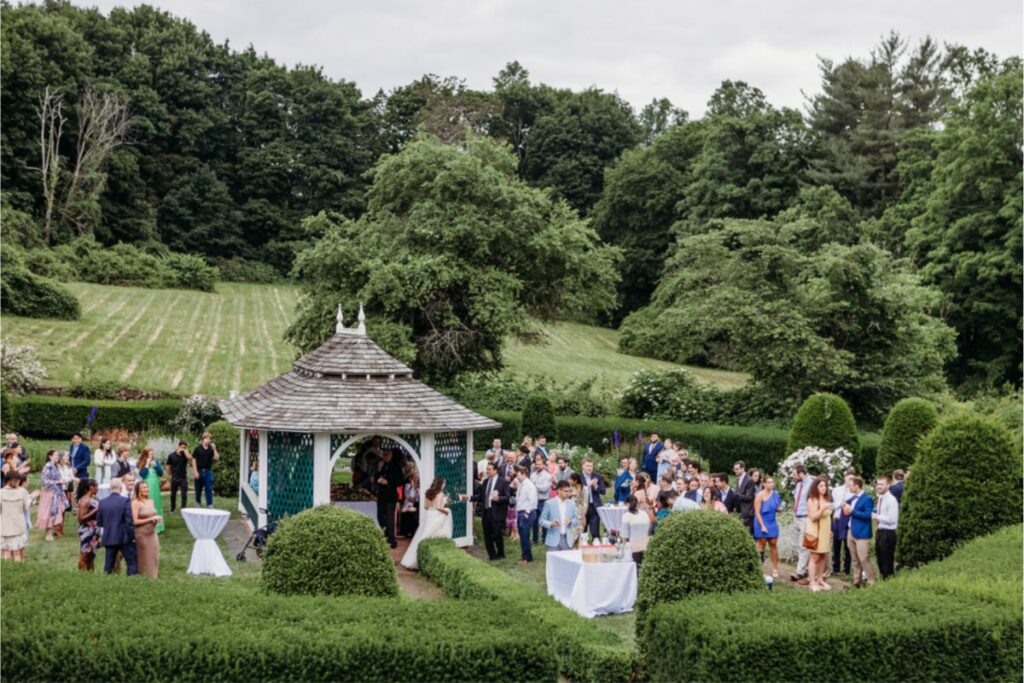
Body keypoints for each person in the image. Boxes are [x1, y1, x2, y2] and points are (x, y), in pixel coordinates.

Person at [400, 476, 453, 569]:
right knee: (434, 536)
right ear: (440, 484)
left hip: (429, 515)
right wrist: (447, 510)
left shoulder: (428, 492)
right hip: (436, 516)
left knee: (422, 536)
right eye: (444, 483)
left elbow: (426, 506)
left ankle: (412, 559)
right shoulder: (440, 494)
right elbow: (438, 508)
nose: (444, 485)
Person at [464, 462, 510, 560]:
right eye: (487, 469)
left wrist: (498, 498)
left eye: (489, 469)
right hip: (486, 513)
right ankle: (492, 556)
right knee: (487, 536)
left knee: (497, 535)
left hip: (497, 513)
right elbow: (480, 497)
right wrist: (468, 498)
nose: (487, 471)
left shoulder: (503, 482)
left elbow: (507, 497)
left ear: (495, 470)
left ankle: (501, 554)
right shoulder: (485, 482)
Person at [97, 478, 137, 575]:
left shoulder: (102, 502)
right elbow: (129, 521)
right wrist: (132, 536)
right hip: (124, 537)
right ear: (120, 487)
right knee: (131, 562)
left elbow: (99, 522)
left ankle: (107, 583)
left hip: (109, 536)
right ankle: (131, 582)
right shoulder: (125, 501)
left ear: (110, 488)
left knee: (108, 565)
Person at [844, 476, 875, 587]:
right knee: (855, 559)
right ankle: (857, 581)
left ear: (857, 486)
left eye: (850, 485)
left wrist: (852, 511)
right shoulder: (852, 498)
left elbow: (867, 515)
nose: (849, 487)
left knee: (863, 558)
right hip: (851, 531)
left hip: (862, 533)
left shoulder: (867, 499)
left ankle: (871, 581)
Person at [805, 476, 833, 592]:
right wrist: (822, 509)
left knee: (823, 555)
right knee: (815, 556)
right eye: (821, 486)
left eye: (825, 486)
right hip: (816, 531)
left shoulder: (827, 499)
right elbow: (812, 517)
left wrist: (830, 530)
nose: (824, 488)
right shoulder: (812, 500)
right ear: (815, 487)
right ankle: (812, 582)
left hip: (825, 530)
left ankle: (820, 579)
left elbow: (827, 517)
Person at [1, 473, 37, 561]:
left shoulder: (1, 492)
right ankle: (17, 568)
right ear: (9, 481)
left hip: (5, 526)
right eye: (16, 481)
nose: (17, 483)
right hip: (17, 525)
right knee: (15, 550)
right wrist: (32, 497)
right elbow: (26, 507)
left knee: (6, 550)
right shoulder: (22, 492)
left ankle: (11, 569)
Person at [131, 481, 162, 578]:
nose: (146, 490)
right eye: (143, 488)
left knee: (154, 556)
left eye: (147, 487)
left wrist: (156, 520)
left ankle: (154, 577)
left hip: (152, 533)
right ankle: (143, 576)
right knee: (144, 557)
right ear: (138, 490)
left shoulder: (151, 501)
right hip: (141, 534)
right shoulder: (135, 503)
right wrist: (150, 519)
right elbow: (135, 521)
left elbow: (151, 514)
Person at [753, 475, 782, 578]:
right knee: (761, 546)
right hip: (761, 521)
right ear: (763, 484)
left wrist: (779, 509)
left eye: (772, 482)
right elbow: (757, 512)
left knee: (773, 544)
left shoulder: (776, 495)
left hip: (772, 521)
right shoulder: (759, 495)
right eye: (768, 482)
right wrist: (762, 526)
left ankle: (775, 568)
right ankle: (759, 569)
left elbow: (778, 507)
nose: (771, 484)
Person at [35, 450, 68, 540]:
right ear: (50, 456)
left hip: (57, 492)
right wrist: (58, 482)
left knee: (56, 511)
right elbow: (45, 481)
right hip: (49, 492)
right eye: (56, 455)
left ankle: (54, 531)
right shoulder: (48, 467)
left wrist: (61, 481)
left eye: (58, 455)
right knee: (49, 511)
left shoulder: (56, 466)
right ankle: (48, 533)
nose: (57, 457)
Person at [375, 450, 404, 549]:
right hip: (381, 495)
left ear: (391, 455)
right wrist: (379, 470)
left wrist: (388, 482)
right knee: (380, 516)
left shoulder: (396, 466)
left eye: (387, 455)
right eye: (384, 454)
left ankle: (391, 540)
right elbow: (376, 477)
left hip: (391, 495)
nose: (385, 456)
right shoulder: (382, 465)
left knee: (389, 518)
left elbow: (400, 480)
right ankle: (385, 536)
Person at [873, 475, 899, 580]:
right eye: (878, 484)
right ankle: (883, 580)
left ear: (888, 485)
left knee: (886, 561)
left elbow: (892, 519)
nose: (879, 486)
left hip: (888, 533)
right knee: (879, 559)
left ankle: (889, 582)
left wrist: (877, 517)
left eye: (882, 484)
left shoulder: (891, 500)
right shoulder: (880, 498)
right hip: (880, 531)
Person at [789, 465, 812, 583]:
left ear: (801, 473)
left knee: (804, 546)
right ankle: (805, 568)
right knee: (798, 545)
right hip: (796, 517)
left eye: (794, 474)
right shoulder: (798, 484)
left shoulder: (811, 484)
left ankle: (800, 572)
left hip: (805, 518)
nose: (793, 477)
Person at [830, 471, 854, 577]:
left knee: (847, 546)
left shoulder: (854, 492)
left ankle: (847, 568)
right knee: (836, 545)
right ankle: (836, 568)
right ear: (844, 478)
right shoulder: (837, 490)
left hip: (847, 521)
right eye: (848, 478)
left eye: (852, 479)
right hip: (837, 519)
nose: (850, 481)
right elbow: (832, 505)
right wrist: (840, 504)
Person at [513, 466, 538, 564]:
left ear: (524, 474)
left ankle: (526, 558)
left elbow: (533, 501)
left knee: (524, 536)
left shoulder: (529, 485)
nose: (517, 476)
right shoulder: (521, 484)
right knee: (523, 536)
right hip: (521, 512)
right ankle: (526, 556)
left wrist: (527, 512)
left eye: (518, 475)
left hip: (526, 513)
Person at [137, 447, 165, 533]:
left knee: (156, 502)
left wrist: (156, 466)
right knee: (148, 503)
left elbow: (161, 473)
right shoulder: (141, 463)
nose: (151, 456)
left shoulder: (155, 462)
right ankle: (149, 525)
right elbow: (143, 475)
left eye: (152, 454)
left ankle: (159, 527)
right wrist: (147, 464)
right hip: (147, 485)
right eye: (150, 454)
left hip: (155, 485)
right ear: (146, 454)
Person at [76, 479, 101, 571]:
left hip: (93, 530)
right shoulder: (85, 500)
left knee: (91, 555)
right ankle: (81, 575)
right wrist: (96, 510)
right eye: (97, 486)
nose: (98, 489)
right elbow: (81, 518)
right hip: (87, 531)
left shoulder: (92, 499)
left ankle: (91, 576)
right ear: (91, 487)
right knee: (85, 554)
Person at [619, 494, 650, 567]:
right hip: (646, 545)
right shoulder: (644, 514)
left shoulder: (626, 516)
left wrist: (624, 550)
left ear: (627, 504)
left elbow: (624, 536)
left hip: (634, 548)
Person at [579, 458, 606, 539]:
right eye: (587, 466)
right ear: (582, 466)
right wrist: (588, 485)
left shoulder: (597, 476)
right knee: (582, 531)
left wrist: (596, 486)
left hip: (594, 506)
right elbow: (577, 493)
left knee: (595, 532)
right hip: (582, 507)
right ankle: (582, 547)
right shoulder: (578, 477)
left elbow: (603, 491)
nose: (589, 468)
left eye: (591, 466)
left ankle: (596, 546)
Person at [192, 432, 220, 508]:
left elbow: (217, 458)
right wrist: (195, 472)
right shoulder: (197, 449)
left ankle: (209, 504)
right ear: (203, 439)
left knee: (209, 489)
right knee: (198, 489)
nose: (208, 440)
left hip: (208, 472)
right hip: (199, 471)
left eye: (209, 438)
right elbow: (194, 460)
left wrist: (214, 449)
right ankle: (198, 503)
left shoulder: (211, 449)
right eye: (207, 438)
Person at [529, 455, 552, 543]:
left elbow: (544, 489)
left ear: (544, 465)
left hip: (543, 501)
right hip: (534, 501)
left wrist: (534, 485)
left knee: (544, 521)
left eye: (539, 464)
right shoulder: (532, 475)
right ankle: (535, 539)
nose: (537, 466)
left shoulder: (548, 476)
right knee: (534, 521)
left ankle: (545, 539)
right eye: (536, 464)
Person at [167, 441, 194, 512]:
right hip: (174, 477)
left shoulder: (185, 455)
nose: (183, 449)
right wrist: (169, 475)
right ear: (178, 446)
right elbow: (168, 467)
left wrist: (185, 451)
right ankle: (173, 508)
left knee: (184, 494)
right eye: (182, 447)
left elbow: (190, 458)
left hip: (183, 477)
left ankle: (183, 509)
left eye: (185, 447)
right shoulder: (171, 455)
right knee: (173, 494)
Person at [733, 460, 756, 533]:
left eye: (737, 469)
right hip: (740, 511)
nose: (735, 471)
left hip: (747, 513)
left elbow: (749, 497)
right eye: (734, 469)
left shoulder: (749, 480)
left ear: (743, 468)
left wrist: (736, 495)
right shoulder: (738, 479)